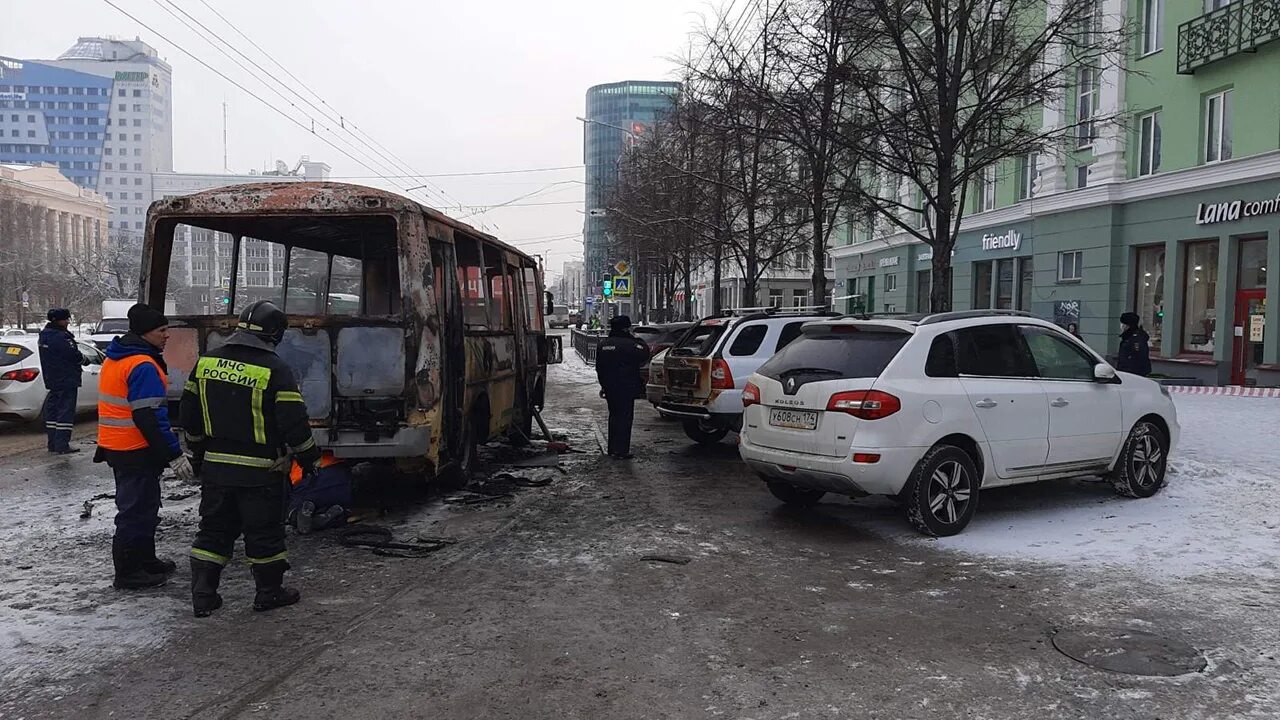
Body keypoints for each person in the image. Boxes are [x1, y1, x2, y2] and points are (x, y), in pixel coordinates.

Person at [181, 300, 320, 618]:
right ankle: (268, 593)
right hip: (261, 472)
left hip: (216, 468)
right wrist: (309, 457)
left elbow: (189, 416)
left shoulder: (206, 363)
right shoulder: (275, 369)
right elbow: (293, 423)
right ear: (274, 334)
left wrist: (199, 453)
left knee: (213, 530)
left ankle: (203, 595)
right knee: (264, 533)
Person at [95, 303, 193, 589]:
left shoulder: (118, 358)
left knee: (144, 506)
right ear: (146, 333)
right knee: (135, 510)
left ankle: (145, 560)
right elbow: (148, 416)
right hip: (134, 449)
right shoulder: (143, 365)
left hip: (118, 447)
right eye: (162, 331)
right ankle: (128, 571)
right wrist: (174, 454)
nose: (167, 336)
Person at [595, 315, 649, 459]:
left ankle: (612, 448)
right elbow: (644, 353)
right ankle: (622, 450)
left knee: (613, 416)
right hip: (627, 386)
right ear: (627, 328)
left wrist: (604, 385)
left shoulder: (603, 345)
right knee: (625, 418)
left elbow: (599, 367)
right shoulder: (631, 344)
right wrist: (633, 338)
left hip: (610, 387)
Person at [38, 308, 82, 454]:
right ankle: (62, 445)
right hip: (66, 379)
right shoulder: (61, 337)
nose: (68, 322)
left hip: (52, 379)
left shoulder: (44, 336)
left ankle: (53, 444)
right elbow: (72, 355)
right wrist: (83, 359)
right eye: (66, 319)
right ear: (58, 320)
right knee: (65, 412)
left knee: (53, 412)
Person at [1116, 311, 1152, 377]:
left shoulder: (1137, 339)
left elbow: (1141, 357)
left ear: (1128, 325)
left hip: (1133, 374)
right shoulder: (1127, 337)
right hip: (1126, 373)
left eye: (1123, 323)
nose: (1121, 325)